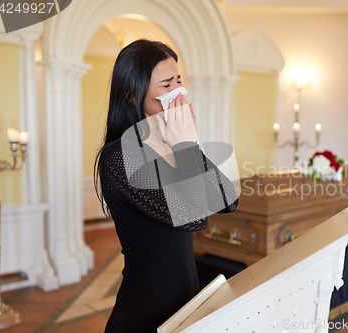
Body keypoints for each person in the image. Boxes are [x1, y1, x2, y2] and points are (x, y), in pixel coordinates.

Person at [94, 39, 239, 333]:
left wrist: (189, 146)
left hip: (185, 303)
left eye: (179, 80)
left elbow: (227, 200)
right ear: (132, 96)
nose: (179, 92)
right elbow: (194, 217)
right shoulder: (119, 156)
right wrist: (185, 145)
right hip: (145, 311)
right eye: (166, 85)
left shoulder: (170, 143)